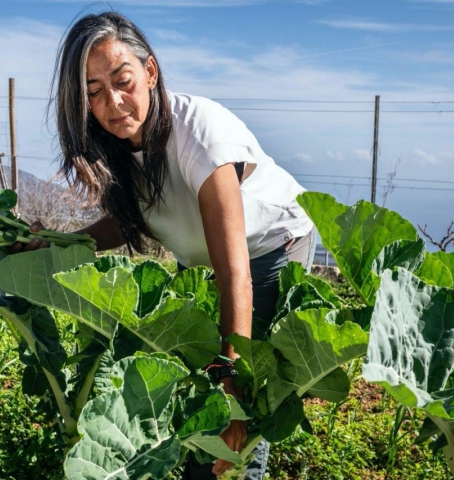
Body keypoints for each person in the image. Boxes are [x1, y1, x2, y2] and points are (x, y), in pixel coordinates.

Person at [19, 11, 316, 479]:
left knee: (238, 398)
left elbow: (234, 272)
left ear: (150, 73)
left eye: (123, 80)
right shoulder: (117, 145)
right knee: (199, 388)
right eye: (93, 92)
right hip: (204, 262)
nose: (113, 102)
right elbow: (127, 221)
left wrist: (230, 388)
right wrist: (59, 245)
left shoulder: (200, 133)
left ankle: (237, 463)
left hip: (269, 247)